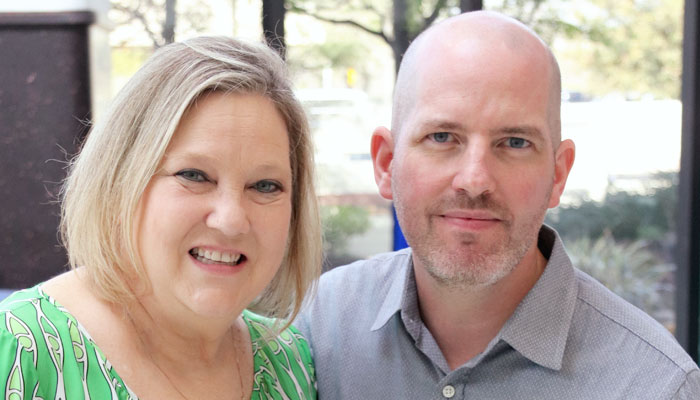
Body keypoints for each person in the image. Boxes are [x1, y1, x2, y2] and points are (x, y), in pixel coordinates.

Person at [296, 10, 700, 399]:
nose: (474, 180)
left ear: (558, 174)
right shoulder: (315, 334)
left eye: (515, 143)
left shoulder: (656, 387)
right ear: (386, 163)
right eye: (441, 137)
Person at [0, 36, 321, 399]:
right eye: (194, 175)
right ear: (121, 179)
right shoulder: (21, 356)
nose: (231, 220)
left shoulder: (292, 363)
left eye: (265, 185)